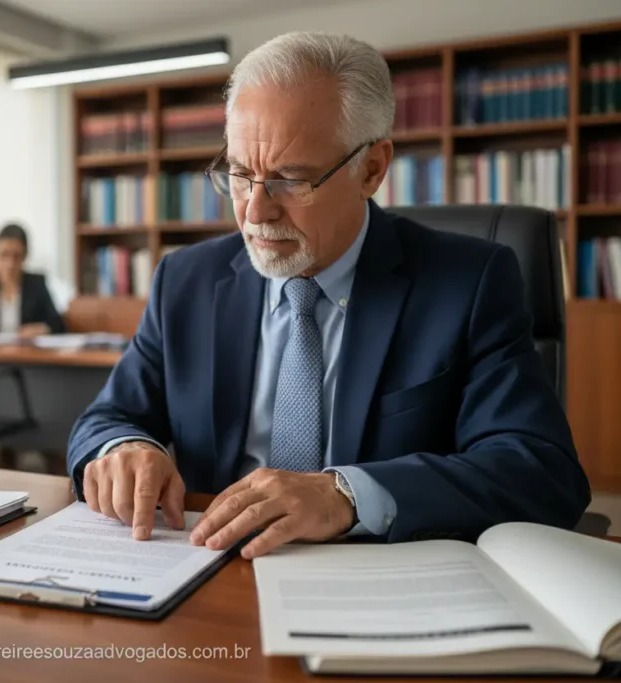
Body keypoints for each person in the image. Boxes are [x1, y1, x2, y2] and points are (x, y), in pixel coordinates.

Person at [66, 31, 590, 559]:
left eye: (290, 180)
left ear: (371, 169)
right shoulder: (186, 280)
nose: (254, 212)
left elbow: (539, 470)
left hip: (382, 577)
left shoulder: (469, 282)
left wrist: (347, 495)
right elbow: (107, 417)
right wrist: (124, 448)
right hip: (210, 566)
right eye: (241, 175)